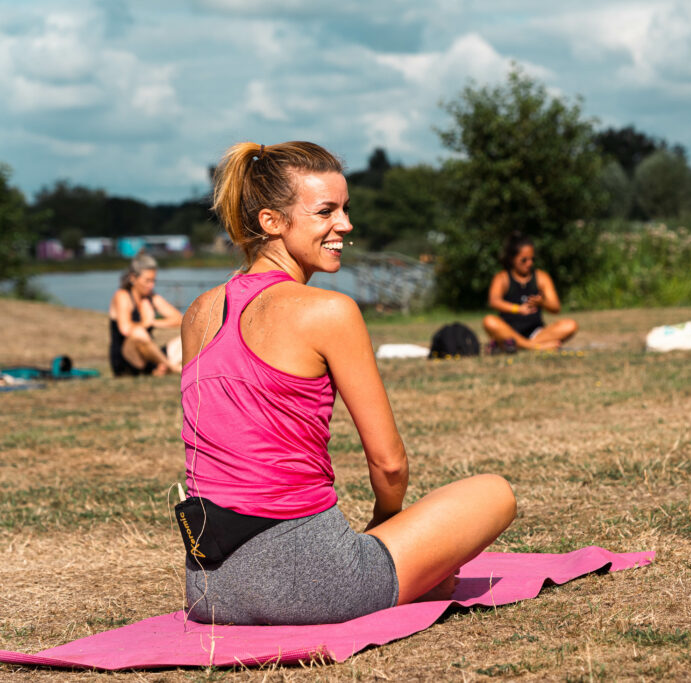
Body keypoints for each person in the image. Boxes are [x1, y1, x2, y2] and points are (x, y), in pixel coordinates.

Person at [180, 141, 516, 626]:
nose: (346, 225)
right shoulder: (329, 312)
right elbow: (389, 464)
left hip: (209, 589)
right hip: (316, 587)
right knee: (495, 492)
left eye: (345, 209)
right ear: (271, 222)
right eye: (326, 212)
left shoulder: (199, 312)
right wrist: (388, 525)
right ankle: (400, 575)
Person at [482, 233, 578, 352]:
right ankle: (534, 347)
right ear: (512, 259)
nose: (529, 263)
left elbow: (556, 307)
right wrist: (517, 309)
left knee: (570, 325)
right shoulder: (502, 278)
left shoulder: (541, 277)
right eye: (524, 260)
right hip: (509, 330)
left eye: (532, 259)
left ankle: (517, 345)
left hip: (537, 333)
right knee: (489, 321)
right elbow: (494, 301)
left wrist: (542, 302)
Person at [108, 252, 183, 376]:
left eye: (153, 281)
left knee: (187, 337)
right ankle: (172, 368)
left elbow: (179, 319)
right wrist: (145, 322)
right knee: (138, 332)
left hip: (151, 356)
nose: (151, 285)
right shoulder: (122, 296)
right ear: (133, 278)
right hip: (127, 359)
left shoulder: (151, 297)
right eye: (147, 281)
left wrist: (153, 322)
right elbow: (125, 329)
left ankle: (160, 367)